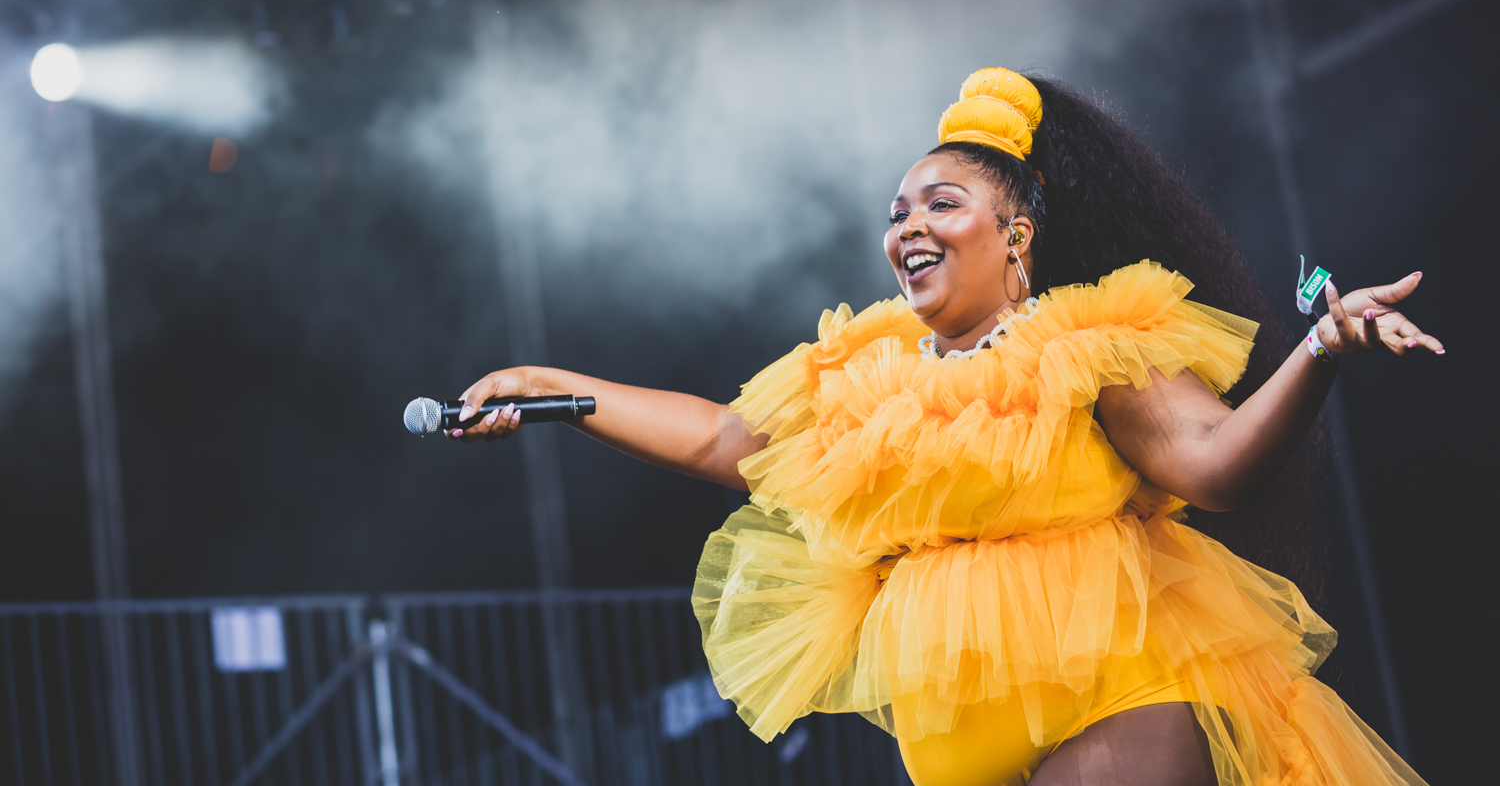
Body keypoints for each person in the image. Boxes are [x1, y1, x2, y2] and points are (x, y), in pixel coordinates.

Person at [450, 67, 1436, 786]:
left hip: (1121, 693)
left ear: (1016, 236)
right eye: (896, 211)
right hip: (954, 742)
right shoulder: (870, 374)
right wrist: (554, 387)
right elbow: (721, 439)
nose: (907, 226)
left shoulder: (1086, 344)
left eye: (942, 203)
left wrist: (1323, 348)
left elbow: (1216, 466)